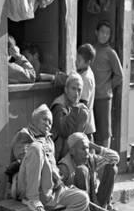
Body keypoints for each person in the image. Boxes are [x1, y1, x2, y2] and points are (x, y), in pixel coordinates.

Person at [7, 104, 89, 211]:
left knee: (82, 198)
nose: (48, 124)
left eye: (50, 122)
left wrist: (59, 178)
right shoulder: (24, 135)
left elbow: (53, 169)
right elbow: (24, 161)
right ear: (34, 120)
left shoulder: (49, 140)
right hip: (27, 187)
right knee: (37, 148)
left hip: (51, 189)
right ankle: (32, 198)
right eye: (44, 119)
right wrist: (39, 146)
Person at [58, 132, 119, 211]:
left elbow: (115, 158)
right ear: (72, 151)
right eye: (83, 149)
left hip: (94, 202)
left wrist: (94, 146)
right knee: (82, 170)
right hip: (77, 210)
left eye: (87, 148)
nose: (87, 152)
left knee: (112, 168)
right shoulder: (64, 166)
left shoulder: (90, 159)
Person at [91, 20, 123, 148]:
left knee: (105, 133)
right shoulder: (92, 50)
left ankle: (105, 162)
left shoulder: (110, 52)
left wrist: (108, 87)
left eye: (107, 33)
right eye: (102, 32)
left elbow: (119, 76)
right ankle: (94, 162)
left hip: (104, 98)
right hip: (90, 96)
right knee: (92, 129)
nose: (104, 35)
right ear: (96, 32)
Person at [50, 71, 89, 162]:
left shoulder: (77, 106)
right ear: (66, 89)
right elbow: (64, 132)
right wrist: (76, 111)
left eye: (79, 90)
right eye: (73, 89)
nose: (76, 93)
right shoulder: (59, 106)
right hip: (59, 155)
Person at [76, 43, 97, 141]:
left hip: (84, 117)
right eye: (77, 59)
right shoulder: (82, 72)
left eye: (79, 60)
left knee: (87, 142)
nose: (76, 62)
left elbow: (83, 102)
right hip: (84, 118)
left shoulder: (86, 78)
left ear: (88, 62)